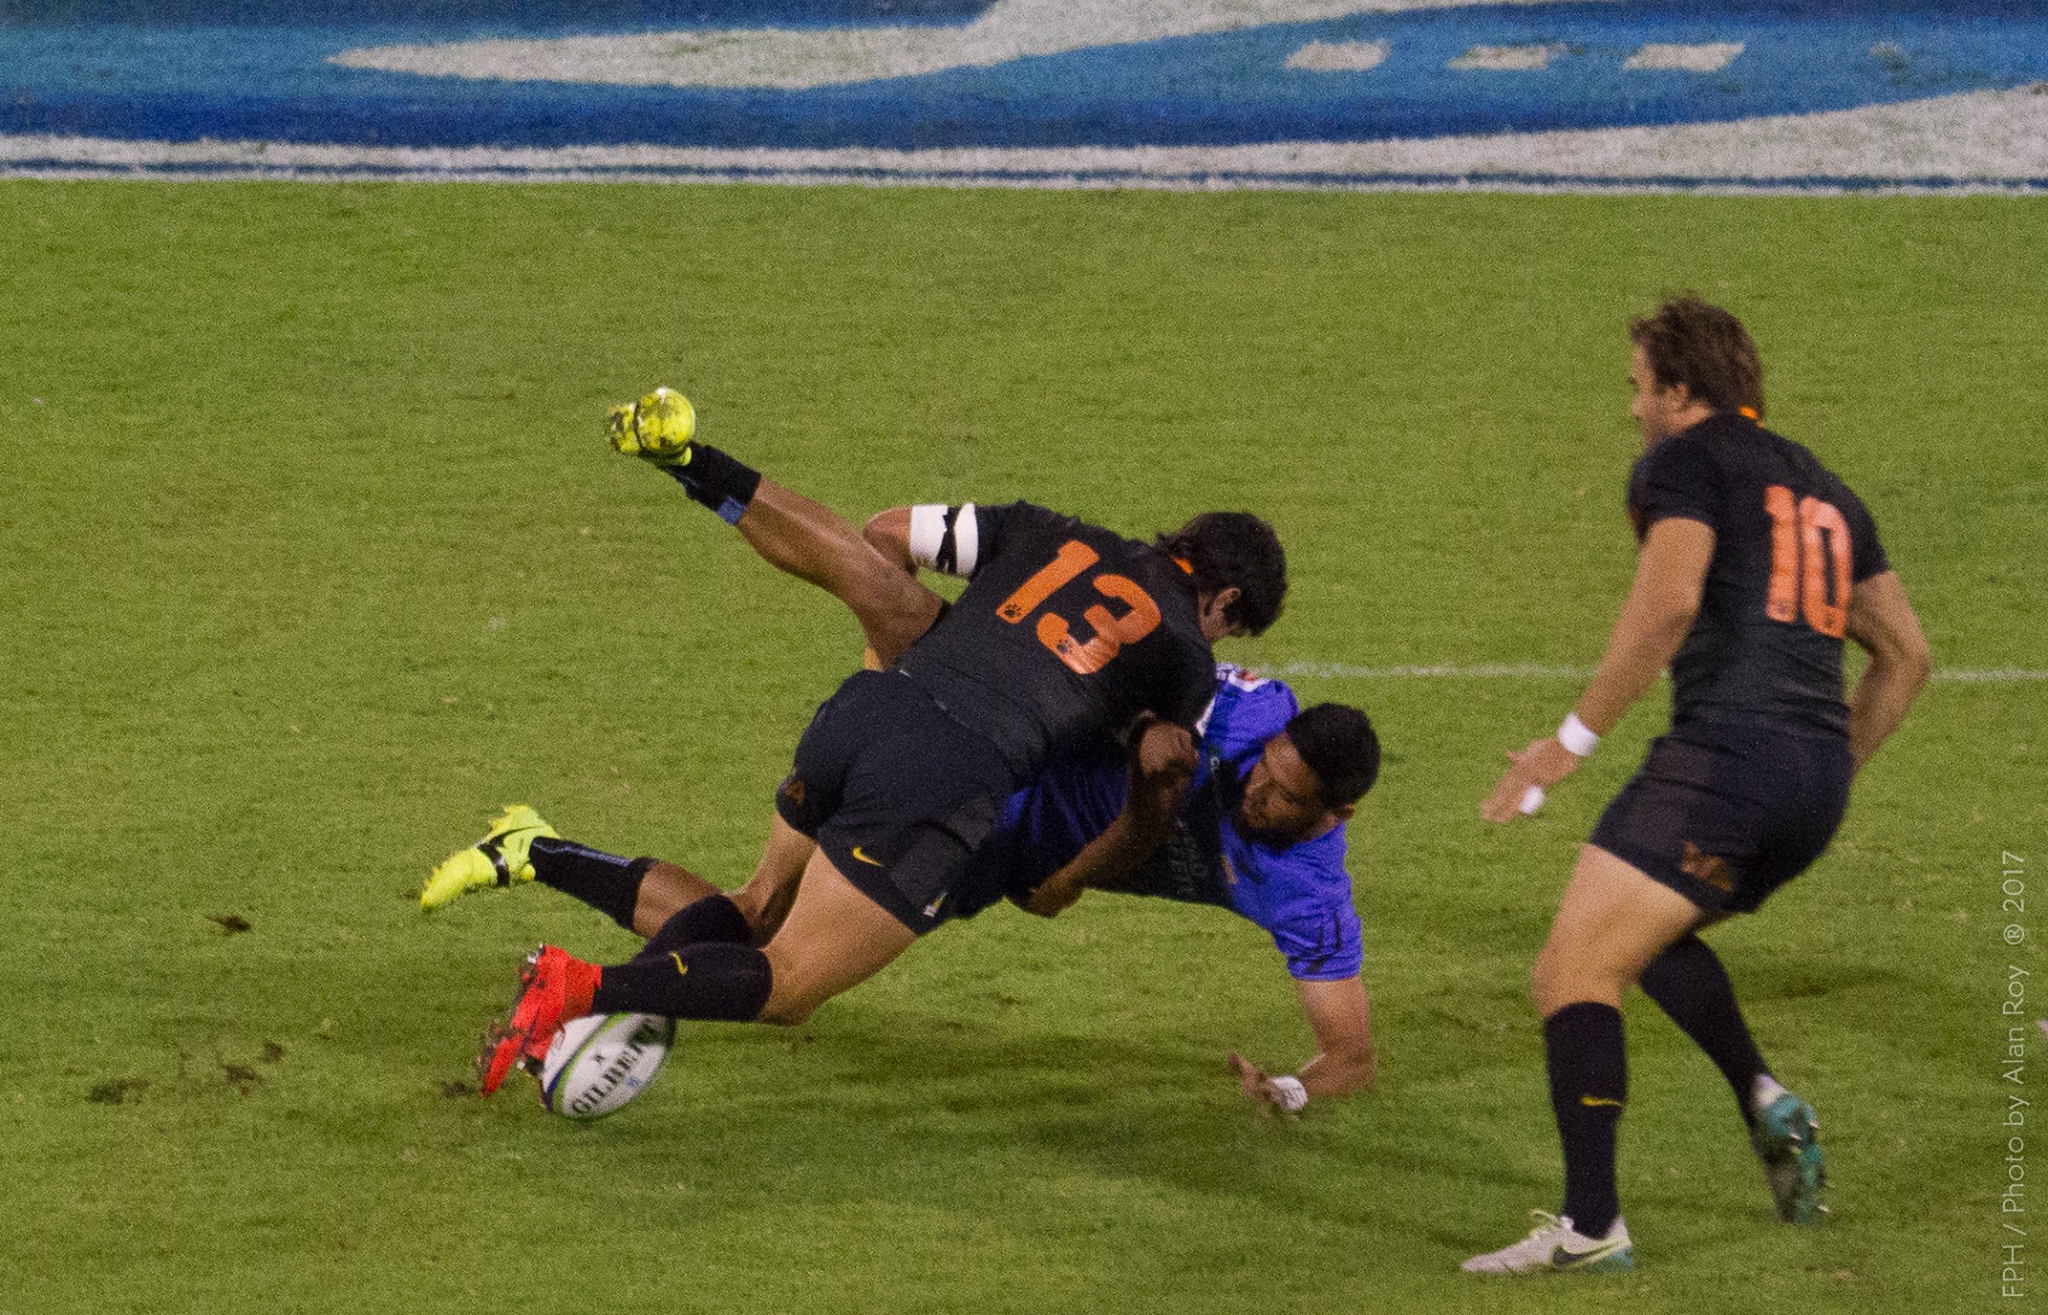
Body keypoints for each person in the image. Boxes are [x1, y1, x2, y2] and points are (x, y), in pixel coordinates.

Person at [459, 389, 1289, 1095]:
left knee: (757, 911)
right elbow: (1153, 790)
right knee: (788, 986)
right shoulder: (1185, 656)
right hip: (945, 781)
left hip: (862, 717)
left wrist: (890, 664)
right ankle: (579, 988)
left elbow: (874, 548)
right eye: (1234, 627)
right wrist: (1069, 878)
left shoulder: (1052, 532)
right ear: (1224, 602)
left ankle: (695, 466)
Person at [1463, 296, 1930, 1275]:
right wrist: (1827, 766)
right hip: (1808, 784)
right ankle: (1761, 1094)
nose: (1631, 408)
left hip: (1722, 761)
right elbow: (1905, 657)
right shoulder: (1827, 491)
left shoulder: (1682, 461)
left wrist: (1568, 741)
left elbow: (1670, 598)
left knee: (1570, 972)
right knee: (1644, 931)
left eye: (1638, 387)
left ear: (1679, 389)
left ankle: (1590, 1229)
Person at [427, 660, 1382, 1110]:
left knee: (769, 935)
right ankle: (567, 954)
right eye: (1264, 767)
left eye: (1281, 793)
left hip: (985, 850)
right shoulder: (1252, 712)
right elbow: (1131, 663)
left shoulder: (1309, 897)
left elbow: (1351, 1053)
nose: (1253, 784)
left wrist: (1292, 1092)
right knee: (782, 974)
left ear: (1329, 817)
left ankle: (536, 856)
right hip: (970, 793)